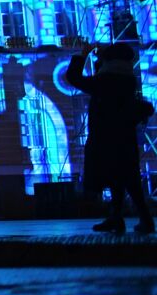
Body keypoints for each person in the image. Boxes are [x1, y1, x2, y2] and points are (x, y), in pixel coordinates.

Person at [65, 43, 155, 234]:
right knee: (123, 179)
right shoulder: (126, 79)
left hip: (106, 139)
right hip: (125, 139)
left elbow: (73, 77)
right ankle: (120, 218)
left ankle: (138, 220)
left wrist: (83, 54)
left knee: (123, 180)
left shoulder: (106, 81)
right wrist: (102, 57)